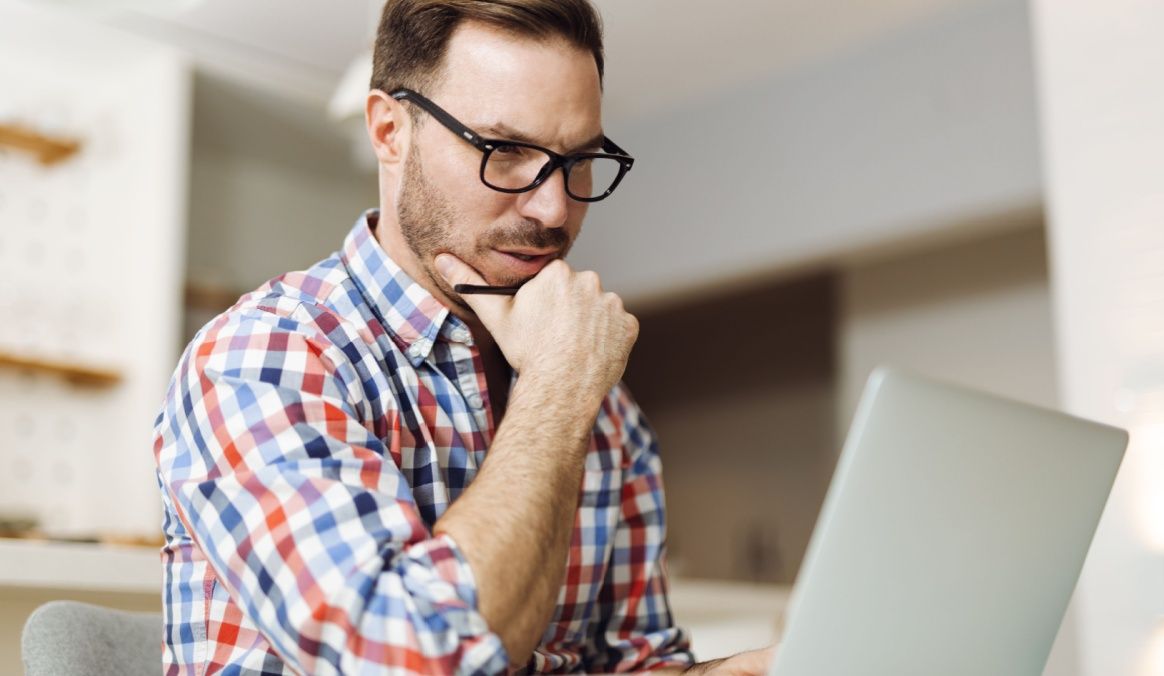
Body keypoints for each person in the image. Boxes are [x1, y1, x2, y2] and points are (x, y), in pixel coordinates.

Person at [153, 1, 776, 673]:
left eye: (580, 161)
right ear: (390, 131)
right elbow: (414, 659)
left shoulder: (609, 416)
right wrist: (560, 391)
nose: (553, 209)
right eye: (505, 152)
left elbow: (631, 664)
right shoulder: (265, 358)